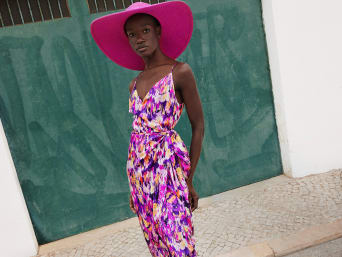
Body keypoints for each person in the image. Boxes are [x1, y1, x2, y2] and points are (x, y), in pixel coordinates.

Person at [90, 1, 204, 256]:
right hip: (139, 176)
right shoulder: (134, 83)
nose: (139, 39)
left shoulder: (180, 72)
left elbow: (199, 126)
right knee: (157, 244)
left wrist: (189, 180)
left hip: (169, 172)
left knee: (179, 243)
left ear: (158, 31)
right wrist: (134, 187)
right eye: (132, 34)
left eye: (145, 30)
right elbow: (137, 135)